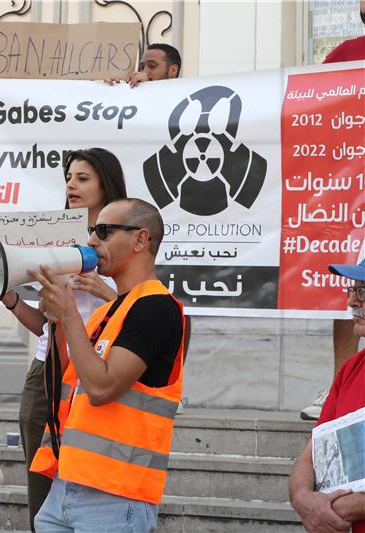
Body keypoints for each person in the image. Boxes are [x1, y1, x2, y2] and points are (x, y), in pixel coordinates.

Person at [28, 198, 184, 532]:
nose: (91, 242)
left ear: (141, 240)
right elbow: (64, 384)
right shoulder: (107, 311)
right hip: (67, 483)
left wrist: (69, 313)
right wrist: (57, 322)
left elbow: (101, 388)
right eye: (91, 231)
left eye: (103, 231)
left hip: (116, 494)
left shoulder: (156, 307)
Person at [0, 148, 126, 530]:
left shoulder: (125, 239)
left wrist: (106, 292)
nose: (71, 184)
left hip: (96, 371)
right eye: (68, 177)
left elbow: (142, 310)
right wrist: (10, 299)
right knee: (41, 485)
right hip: (47, 372)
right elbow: (43, 325)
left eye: (83, 178)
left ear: (107, 184)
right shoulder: (52, 239)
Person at [303, 0, 365, 421]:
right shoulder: (344, 54)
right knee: (351, 289)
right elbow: (310, 113)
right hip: (353, 188)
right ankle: (342, 387)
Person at [289, 258, 365, 533]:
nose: (352, 302)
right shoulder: (351, 370)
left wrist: (333, 508)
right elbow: (312, 454)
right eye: (352, 291)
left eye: (363, 292)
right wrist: (303, 499)